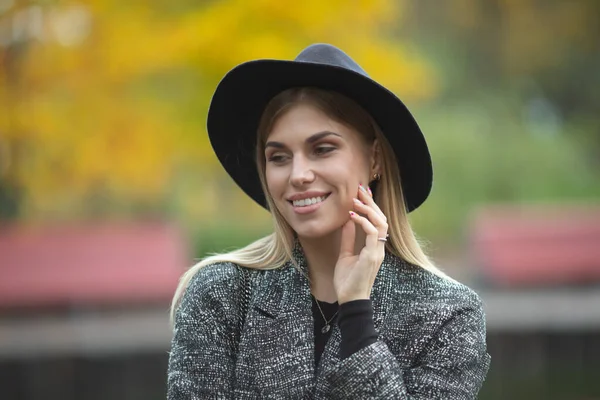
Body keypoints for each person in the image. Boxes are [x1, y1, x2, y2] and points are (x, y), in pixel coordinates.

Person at [167, 43, 490, 399]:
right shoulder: (221, 295)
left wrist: (356, 316)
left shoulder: (447, 315)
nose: (298, 174)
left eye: (322, 149)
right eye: (278, 157)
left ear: (375, 160)